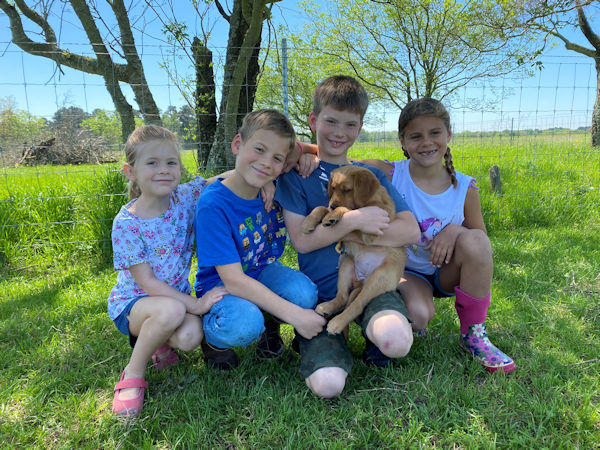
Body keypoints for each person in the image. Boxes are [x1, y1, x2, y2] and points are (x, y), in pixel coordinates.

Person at [274, 75, 421, 398]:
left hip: (372, 281)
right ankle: (317, 340)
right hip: (321, 292)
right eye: (330, 121)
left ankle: (375, 334)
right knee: (328, 386)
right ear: (313, 120)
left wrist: (363, 227)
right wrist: (356, 220)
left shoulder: (371, 176)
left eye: (350, 124)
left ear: (360, 127)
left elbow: (410, 230)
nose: (339, 132)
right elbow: (302, 240)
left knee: (395, 341)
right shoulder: (298, 174)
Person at [359, 97, 515, 373]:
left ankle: (473, 335)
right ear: (403, 142)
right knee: (419, 316)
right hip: (407, 272)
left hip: (445, 271)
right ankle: (410, 317)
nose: (426, 142)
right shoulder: (391, 173)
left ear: (448, 134)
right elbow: (339, 159)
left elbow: (479, 236)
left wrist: (455, 230)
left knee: (476, 241)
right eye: (415, 136)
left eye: (435, 133)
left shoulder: (466, 187)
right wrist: (298, 151)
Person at [108, 124, 232, 417]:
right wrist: (196, 304)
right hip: (133, 306)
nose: (163, 170)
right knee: (171, 312)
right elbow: (148, 283)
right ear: (131, 171)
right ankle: (133, 374)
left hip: (172, 302)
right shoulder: (127, 223)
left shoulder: (185, 198)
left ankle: (159, 341)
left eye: (171, 162)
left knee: (190, 337)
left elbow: (226, 178)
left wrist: (264, 177)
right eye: (152, 163)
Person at [194, 109, 326, 370]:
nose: (266, 162)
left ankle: (269, 326)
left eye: (277, 158)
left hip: (262, 270)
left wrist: (310, 153)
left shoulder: (273, 185)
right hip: (222, 284)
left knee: (304, 293)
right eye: (259, 150)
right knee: (244, 324)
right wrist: (296, 317)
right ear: (237, 144)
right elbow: (233, 280)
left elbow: (316, 149)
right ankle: (213, 338)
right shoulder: (213, 205)